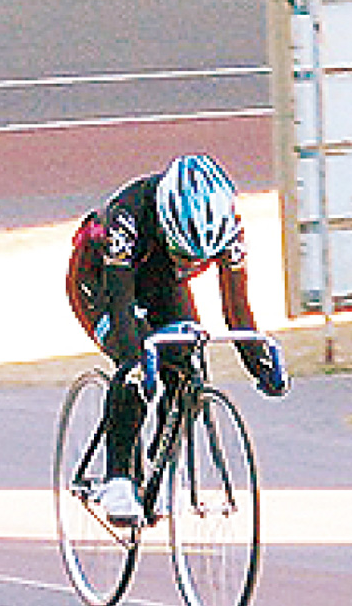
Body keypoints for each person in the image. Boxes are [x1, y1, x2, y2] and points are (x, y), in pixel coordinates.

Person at [66, 154, 285, 525]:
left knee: (186, 362)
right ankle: (118, 479)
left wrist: (259, 364)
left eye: (198, 260)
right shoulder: (128, 216)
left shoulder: (229, 227)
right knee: (135, 367)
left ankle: (161, 465)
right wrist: (137, 363)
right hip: (101, 281)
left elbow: (236, 308)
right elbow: (121, 308)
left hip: (161, 280)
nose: (190, 264)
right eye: (183, 254)